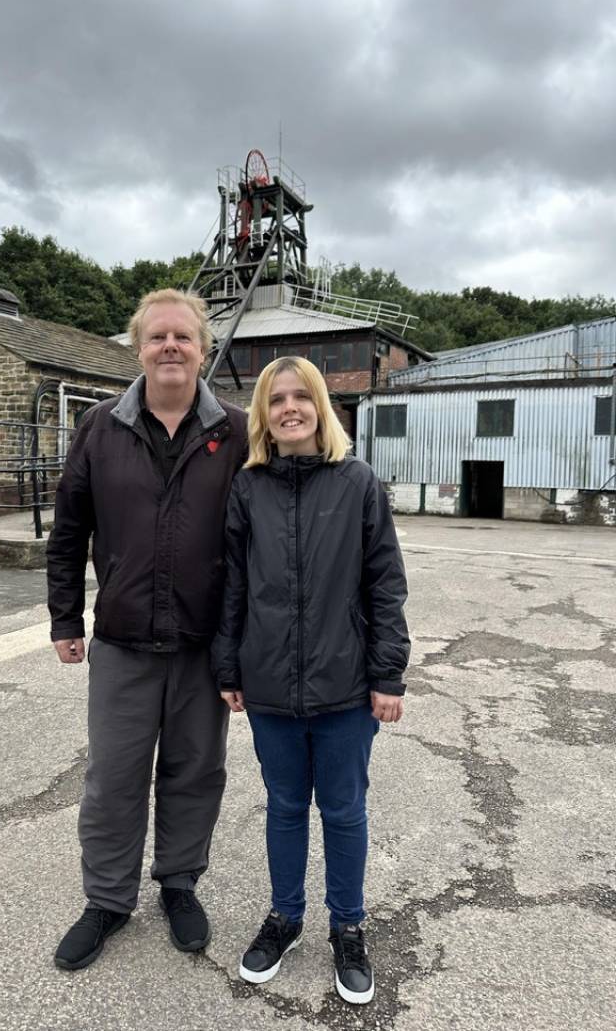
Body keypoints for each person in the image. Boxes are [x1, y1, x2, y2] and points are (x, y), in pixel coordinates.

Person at [47, 288, 247, 971]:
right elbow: (70, 527)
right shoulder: (100, 427)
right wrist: (65, 616)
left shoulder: (237, 433)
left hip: (203, 647)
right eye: (157, 336)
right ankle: (107, 898)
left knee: (196, 772)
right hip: (123, 642)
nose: (170, 347)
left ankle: (180, 882)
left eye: (182, 337)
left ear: (202, 349)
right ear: (138, 347)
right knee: (112, 779)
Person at [211, 356, 410, 1005]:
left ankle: (347, 925)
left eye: (302, 396)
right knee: (287, 807)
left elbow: (385, 585)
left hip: (347, 687)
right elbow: (233, 584)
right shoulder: (248, 488)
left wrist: (388, 673)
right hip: (269, 684)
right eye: (276, 399)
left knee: (346, 810)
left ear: (321, 406)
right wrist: (228, 664)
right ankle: (286, 916)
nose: (290, 407)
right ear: (263, 414)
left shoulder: (358, 484)